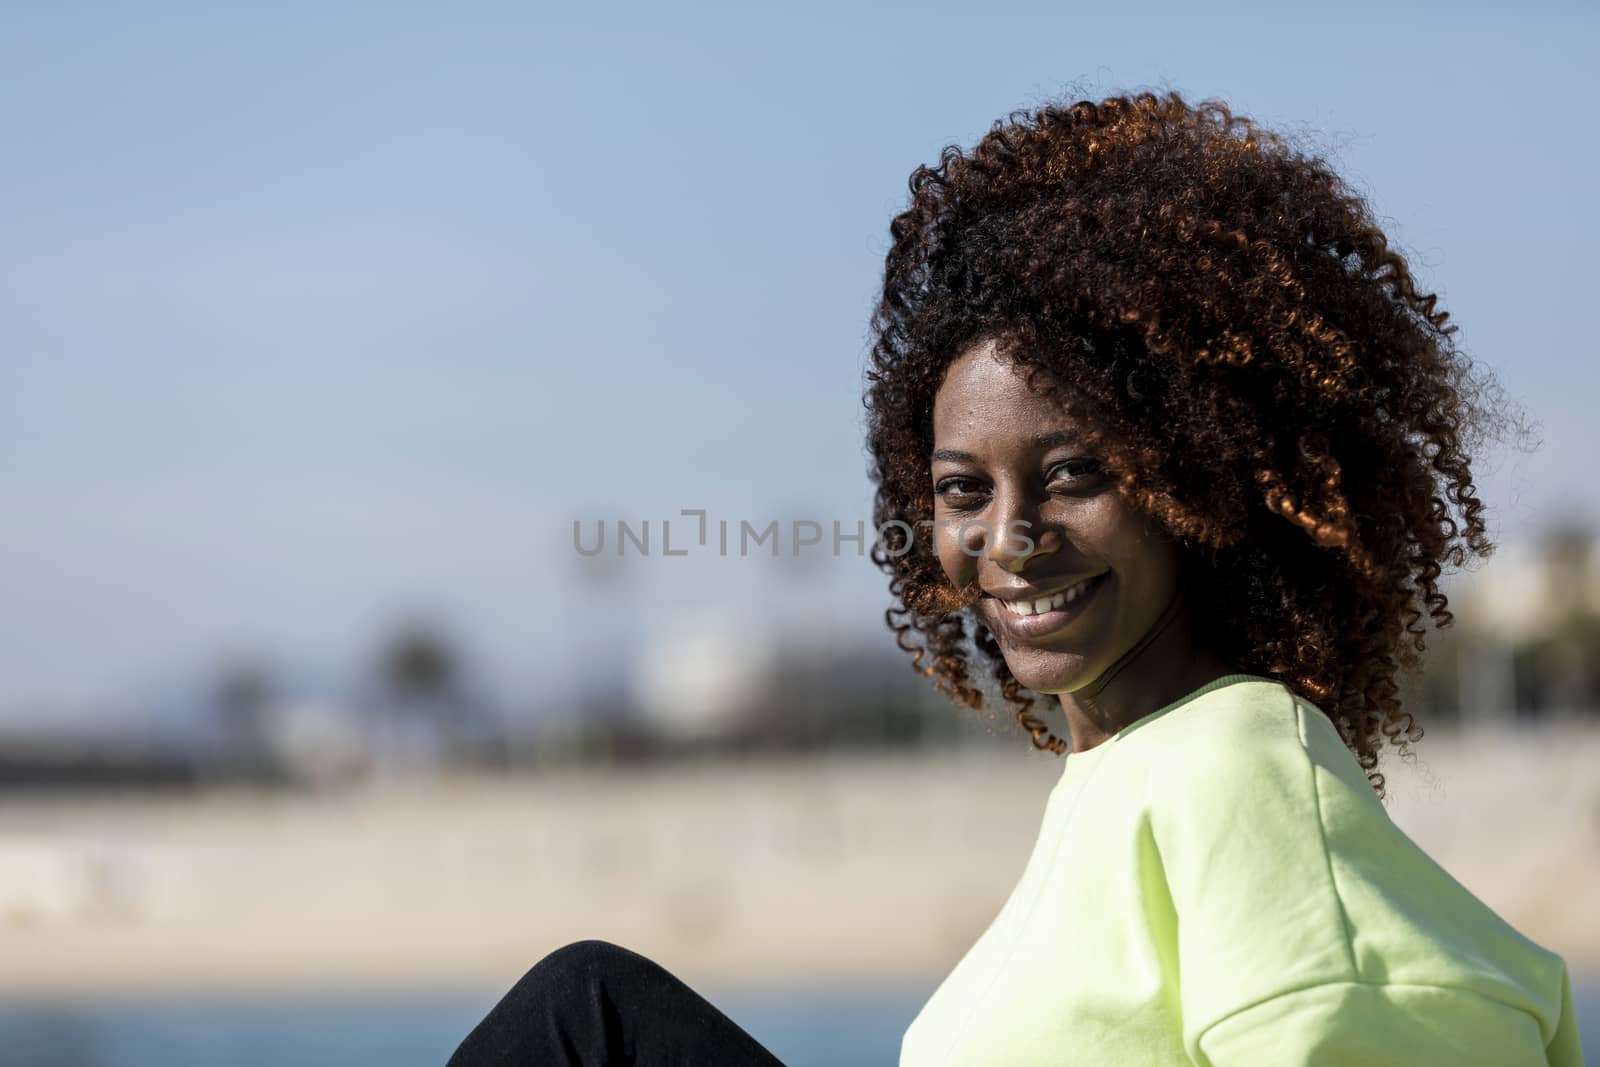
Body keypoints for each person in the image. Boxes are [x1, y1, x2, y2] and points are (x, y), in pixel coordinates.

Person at [447, 89, 1585, 1066]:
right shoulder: (1117, 781)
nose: (1009, 535)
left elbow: (1415, 1022)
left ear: (1204, 478)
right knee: (585, 1010)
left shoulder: (1241, 761)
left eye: (1074, 471)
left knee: (577, 1018)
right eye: (961, 491)